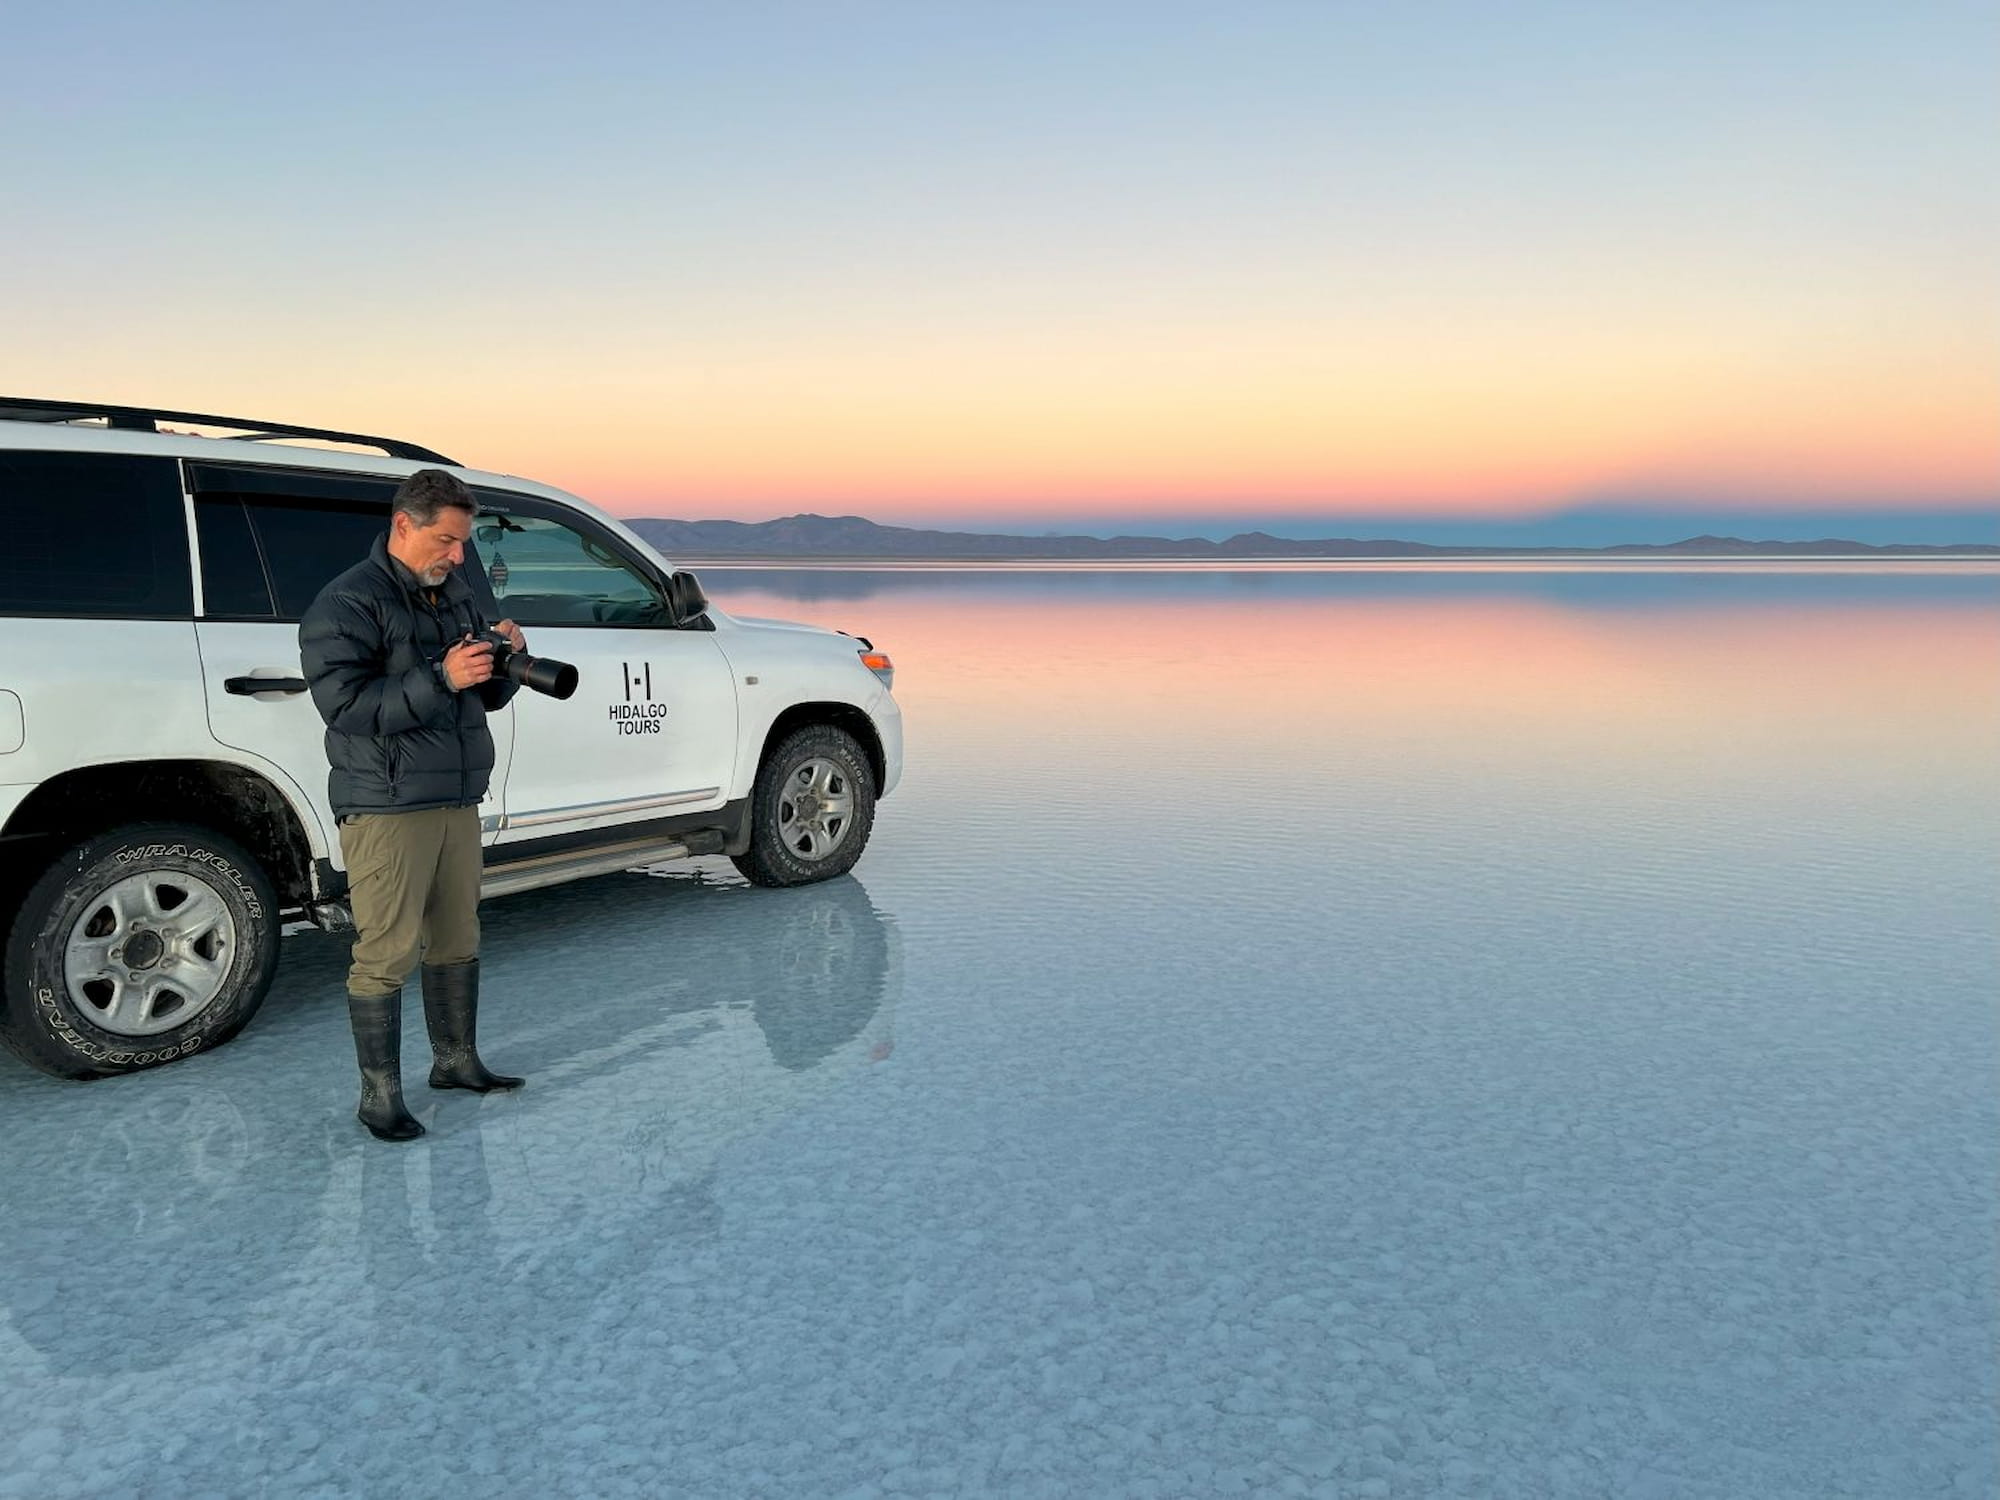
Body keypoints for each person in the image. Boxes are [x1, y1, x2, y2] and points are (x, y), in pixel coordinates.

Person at [299, 468, 527, 1141]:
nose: (460, 557)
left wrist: (506, 664)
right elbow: (346, 708)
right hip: (387, 804)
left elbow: (477, 698)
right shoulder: (345, 604)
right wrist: (440, 675)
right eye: (449, 541)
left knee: (459, 936)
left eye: (464, 544)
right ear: (405, 525)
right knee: (387, 950)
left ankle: (456, 1062)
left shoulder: (452, 596)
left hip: (454, 797)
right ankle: (379, 1098)